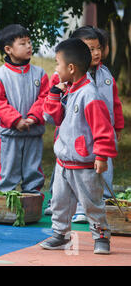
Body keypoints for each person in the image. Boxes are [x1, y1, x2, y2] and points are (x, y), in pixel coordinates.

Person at [40, 38, 117, 254]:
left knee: (92, 203)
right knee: (59, 202)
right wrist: (55, 94)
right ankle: (60, 234)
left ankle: (101, 235)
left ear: (71, 68)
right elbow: (54, 119)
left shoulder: (90, 94)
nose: (56, 69)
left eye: (58, 64)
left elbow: (102, 129)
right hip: (63, 162)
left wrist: (101, 156)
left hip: (84, 165)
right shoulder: (67, 90)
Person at [66, 26, 124, 223]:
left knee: (104, 168)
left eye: (98, 48)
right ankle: (81, 207)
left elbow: (116, 103)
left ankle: (104, 204)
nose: (96, 53)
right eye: (90, 49)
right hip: (81, 134)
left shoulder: (106, 74)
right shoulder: (72, 76)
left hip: (103, 133)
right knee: (83, 173)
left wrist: (118, 128)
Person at [0, 24, 49, 196]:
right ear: (8, 49)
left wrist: (32, 118)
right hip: (10, 135)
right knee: (8, 170)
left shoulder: (40, 73)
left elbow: (45, 98)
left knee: (33, 170)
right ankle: (6, 200)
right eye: (23, 43)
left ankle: (32, 199)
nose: (29, 46)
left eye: (29, 42)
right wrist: (16, 120)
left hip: (34, 132)